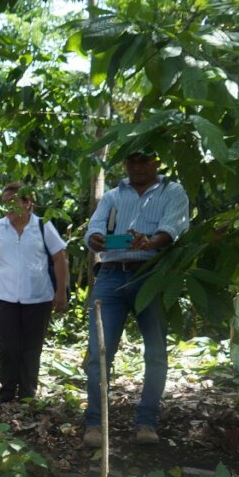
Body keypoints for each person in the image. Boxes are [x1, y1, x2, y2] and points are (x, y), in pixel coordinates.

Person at [83, 150, 190, 447]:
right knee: (99, 353)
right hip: (111, 275)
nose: (138, 166)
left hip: (151, 275)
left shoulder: (173, 191)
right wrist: (95, 237)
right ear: (126, 164)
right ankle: (94, 423)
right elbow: (94, 227)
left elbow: (175, 226)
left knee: (155, 351)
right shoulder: (114, 195)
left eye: (145, 160)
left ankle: (147, 421)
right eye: (133, 160)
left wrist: (153, 241)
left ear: (157, 161)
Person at [0, 183, 69, 402]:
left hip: (39, 297)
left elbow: (59, 257)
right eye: (5, 203)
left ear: (27, 202)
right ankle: (6, 392)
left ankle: (27, 393)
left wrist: (60, 291)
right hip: (4, 296)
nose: (9, 207)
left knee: (32, 348)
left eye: (14, 202)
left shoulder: (43, 226)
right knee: (8, 347)